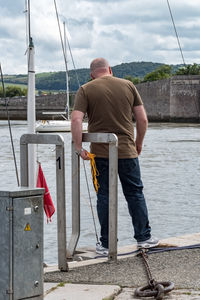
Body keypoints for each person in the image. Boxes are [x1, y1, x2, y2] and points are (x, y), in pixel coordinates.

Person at [71, 57, 159, 255]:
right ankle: (144, 238)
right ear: (110, 69)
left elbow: (76, 120)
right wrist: (139, 143)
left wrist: (79, 147)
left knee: (104, 196)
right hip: (127, 151)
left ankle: (107, 244)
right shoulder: (128, 85)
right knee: (135, 193)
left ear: (92, 74)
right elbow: (142, 119)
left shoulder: (86, 89)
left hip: (100, 153)